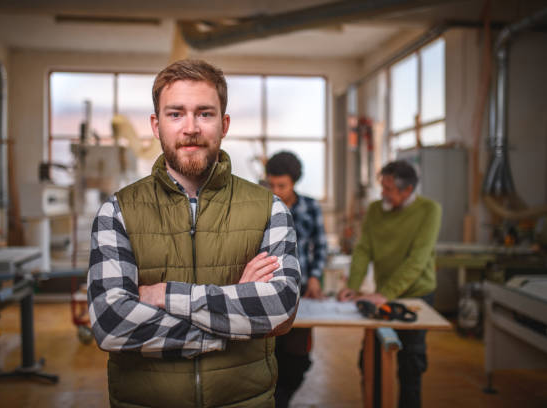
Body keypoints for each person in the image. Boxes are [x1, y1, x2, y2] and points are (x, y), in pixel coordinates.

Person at [87, 59, 301, 408]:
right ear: (156, 125)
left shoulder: (270, 209)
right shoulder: (118, 212)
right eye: (175, 114)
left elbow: (278, 307)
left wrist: (162, 295)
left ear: (224, 123)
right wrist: (234, 315)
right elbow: (111, 324)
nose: (190, 128)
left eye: (204, 113)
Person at [338, 160, 441, 408]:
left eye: (388, 189)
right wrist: (352, 284)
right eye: (381, 186)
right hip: (382, 295)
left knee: (411, 365)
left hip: (416, 296)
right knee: (370, 361)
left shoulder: (429, 210)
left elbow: (417, 261)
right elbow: (363, 250)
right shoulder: (375, 210)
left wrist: (385, 294)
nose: (382, 193)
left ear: (407, 190)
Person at [265, 151, 328, 408]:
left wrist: (315, 277)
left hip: (301, 290)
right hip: (267, 288)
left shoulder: (311, 207)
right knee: (270, 351)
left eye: (282, 186)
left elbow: (320, 246)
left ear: (295, 182)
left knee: (298, 355)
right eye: (271, 185)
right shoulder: (261, 204)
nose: (276, 191)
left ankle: (282, 399)